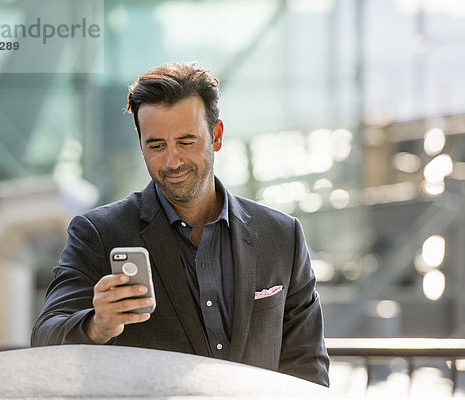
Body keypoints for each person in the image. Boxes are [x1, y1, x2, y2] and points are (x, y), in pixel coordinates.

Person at [31, 62, 330, 387]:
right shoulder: (98, 234)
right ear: (142, 145)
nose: (172, 162)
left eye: (186, 142)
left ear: (215, 137)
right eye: (156, 146)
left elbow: (307, 366)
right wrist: (96, 326)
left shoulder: (282, 236)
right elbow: (46, 336)